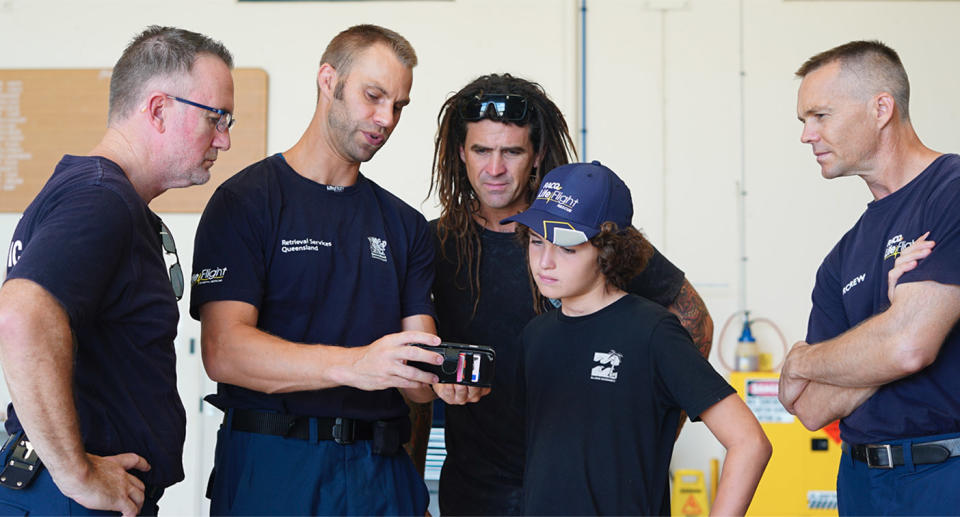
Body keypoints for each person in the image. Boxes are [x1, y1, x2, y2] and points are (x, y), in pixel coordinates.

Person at [190, 24, 477, 516]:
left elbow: (415, 373)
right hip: (273, 467)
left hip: (381, 471)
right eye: (373, 96)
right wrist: (358, 365)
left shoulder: (405, 226)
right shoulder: (245, 203)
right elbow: (224, 352)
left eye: (400, 106)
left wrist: (443, 377)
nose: (386, 118)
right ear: (328, 80)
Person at [426, 73, 715, 515]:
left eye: (513, 151)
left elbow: (695, 320)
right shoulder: (433, 245)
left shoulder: (590, 232)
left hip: (591, 490)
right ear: (461, 153)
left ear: (537, 155)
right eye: (482, 150)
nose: (495, 168)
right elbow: (411, 373)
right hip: (477, 488)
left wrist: (650, 440)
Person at [0, 26, 234, 516]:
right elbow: (20, 318)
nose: (225, 140)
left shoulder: (92, 191)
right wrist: (76, 475)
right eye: (216, 118)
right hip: (71, 498)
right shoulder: (100, 200)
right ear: (157, 109)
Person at [503, 160, 770, 515]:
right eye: (537, 242)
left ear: (608, 249)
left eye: (567, 247)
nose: (544, 262)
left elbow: (750, 442)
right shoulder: (535, 336)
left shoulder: (652, 332)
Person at [779, 40, 960, 515]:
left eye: (820, 115)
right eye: (804, 121)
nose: (807, 135)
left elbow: (910, 347)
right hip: (860, 483)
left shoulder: (951, 194)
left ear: (881, 108)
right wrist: (893, 320)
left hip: (944, 476)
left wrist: (802, 361)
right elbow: (811, 409)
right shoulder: (844, 254)